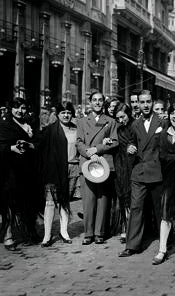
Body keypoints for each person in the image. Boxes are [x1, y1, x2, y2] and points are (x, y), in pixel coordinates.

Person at [119, 90, 165, 257]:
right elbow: (131, 142)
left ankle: (165, 244)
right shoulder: (134, 124)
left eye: (148, 102)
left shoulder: (162, 122)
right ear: (137, 104)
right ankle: (132, 245)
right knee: (136, 207)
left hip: (157, 171)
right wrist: (129, 148)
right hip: (139, 172)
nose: (145, 105)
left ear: (152, 103)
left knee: (160, 209)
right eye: (142, 102)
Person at [76, 91, 118, 245]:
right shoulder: (81, 121)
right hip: (87, 163)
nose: (97, 103)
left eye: (100, 100)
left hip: (104, 163)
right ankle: (88, 233)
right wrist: (89, 152)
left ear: (103, 103)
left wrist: (97, 149)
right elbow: (79, 142)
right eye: (94, 100)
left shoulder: (110, 121)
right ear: (90, 103)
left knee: (103, 199)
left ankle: (100, 233)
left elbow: (114, 142)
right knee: (88, 200)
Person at [0, 98, 40, 250]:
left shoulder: (30, 123)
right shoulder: (5, 125)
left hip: (28, 170)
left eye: (22, 108)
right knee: (9, 203)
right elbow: (1, 145)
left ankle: (29, 232)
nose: (19, 111)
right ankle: (8, 236)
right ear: (11, 109)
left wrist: (30, 144)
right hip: (9, 170)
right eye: (16, 108)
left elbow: (38, 141)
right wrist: (11, 148)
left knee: (28, 202)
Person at [38, 102, 79, 246]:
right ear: (58, 114)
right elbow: (40, 149)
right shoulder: (49, 130)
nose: (66, 115)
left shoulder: (76, 129)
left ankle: (64, 232)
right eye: (63, 113)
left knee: (65, 201)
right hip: (54, 170)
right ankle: (47, 235)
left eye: (68, 112)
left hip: (72, 168)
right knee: (50, 202)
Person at [152, 103, 175, 265]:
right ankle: (162, 250)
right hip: (168, 180)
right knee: (165, 214)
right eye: (172, 113)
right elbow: (160, 156)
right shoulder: (163, 135)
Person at [112, 103, 135, 243]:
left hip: (133, 164)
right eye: (118, 117)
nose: (121, 120)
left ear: (129, 114)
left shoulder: (135, 126)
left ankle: (133, 228)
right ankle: (125, 227)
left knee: (132, 197)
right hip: (120, 164)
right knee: (122, 197)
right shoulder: (117, 128)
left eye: (123, 116)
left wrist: (133, 147)